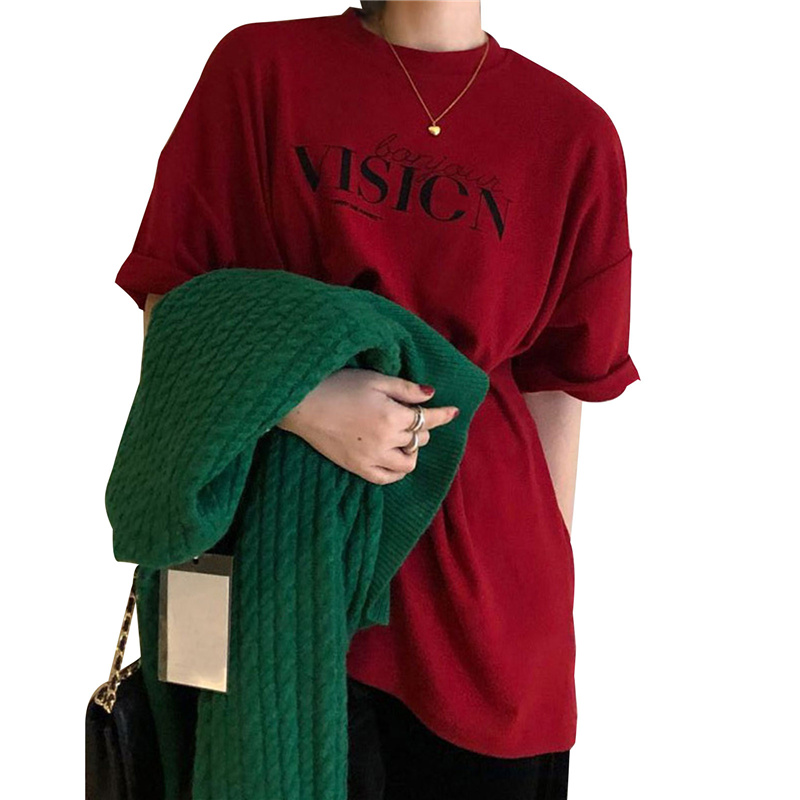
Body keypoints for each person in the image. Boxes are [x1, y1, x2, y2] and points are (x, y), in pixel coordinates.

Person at [115, 2, 640, 797]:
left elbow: (556, 393)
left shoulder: (574, 133)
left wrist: (534, 610)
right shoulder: (261, 69)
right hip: (269, 569)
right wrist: (304, 400)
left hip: (484, 605)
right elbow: (176, 312)